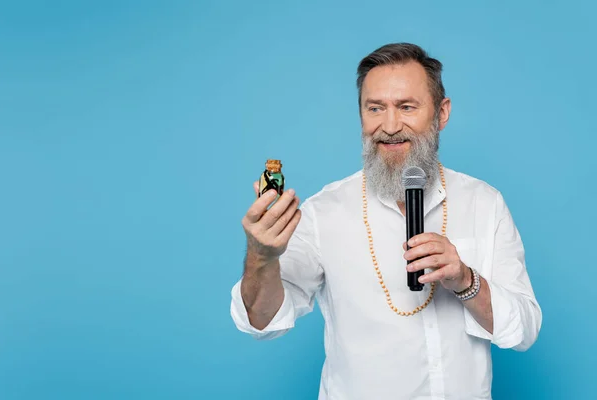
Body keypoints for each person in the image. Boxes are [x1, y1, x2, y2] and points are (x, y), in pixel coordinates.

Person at [230, 43, 542, 399]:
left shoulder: (484, 203)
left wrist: (465, 279)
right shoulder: (324, 211)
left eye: (407, 107)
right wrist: (262, 257)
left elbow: (524, 330)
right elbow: (262, 321)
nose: (390, 126)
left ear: (442, 113)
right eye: (375, 108)